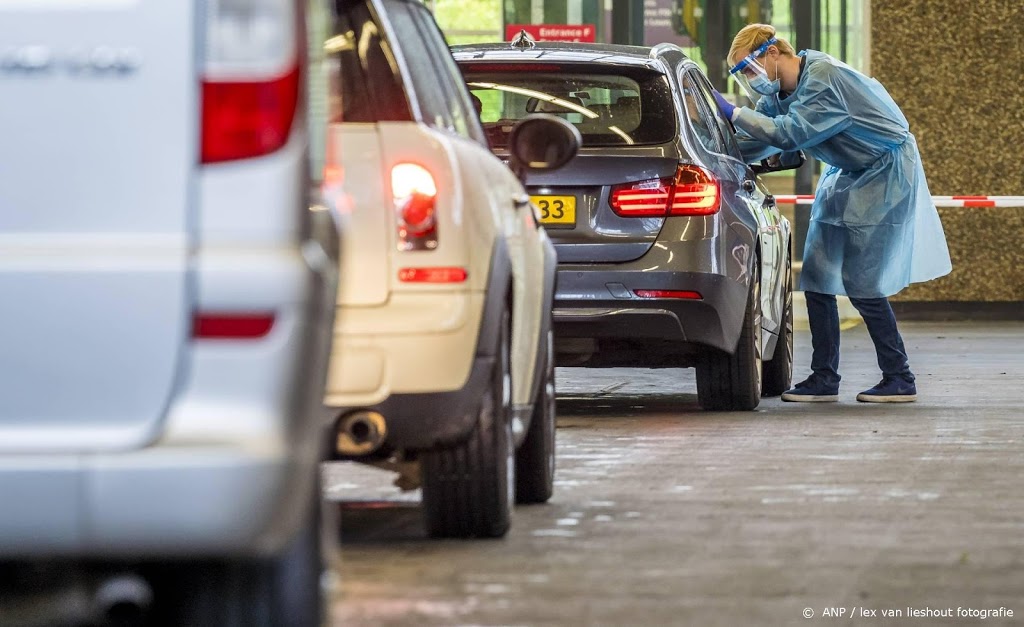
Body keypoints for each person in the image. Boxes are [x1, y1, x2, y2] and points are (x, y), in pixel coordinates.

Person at [711, 24, 951, 403]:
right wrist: (712, 144)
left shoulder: (825, 77)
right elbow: (761, 138)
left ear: (773, 53)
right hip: (845, 173)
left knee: (863, 282)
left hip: (883, 173)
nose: (749, 80)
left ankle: (899, 376)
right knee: (819, 277)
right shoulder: (778, 95)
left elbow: (789, 134)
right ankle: (824, 377)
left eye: (749, 69)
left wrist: (733, 111)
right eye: (741, 76)